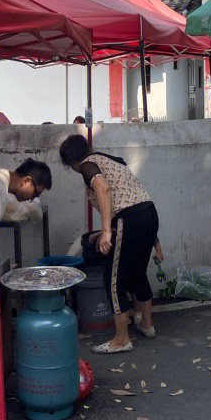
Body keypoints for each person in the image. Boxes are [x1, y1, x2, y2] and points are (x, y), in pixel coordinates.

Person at [59, 134, 159, 353]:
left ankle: (122, 339)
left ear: (71, 161)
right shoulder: (112, 161)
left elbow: (103, 189)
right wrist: (110, 230)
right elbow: (131, 201)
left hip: (129, 218)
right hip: (149, 214)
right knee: (138, 272)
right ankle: (147, 325)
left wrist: (106, 232)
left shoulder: (87, 165)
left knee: (113, 279)